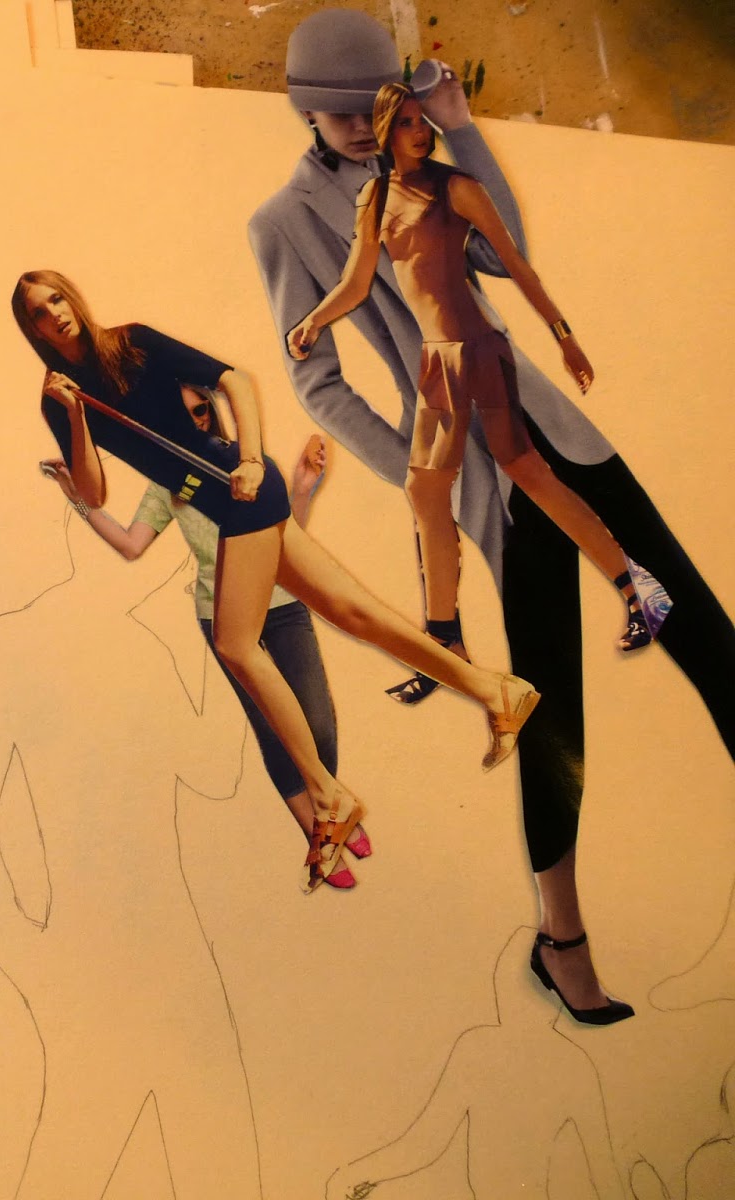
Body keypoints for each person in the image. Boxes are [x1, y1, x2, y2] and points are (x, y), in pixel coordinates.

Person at [248, 7, 735, 1022]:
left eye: (371, 107)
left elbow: (502, 253)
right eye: (338, 112)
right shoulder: (284, 222)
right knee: (552, 703)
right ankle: (561, 939)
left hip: (558, 432)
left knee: (706, 631)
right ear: (303, 109)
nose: (358, 126)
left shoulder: (425, 169)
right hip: (479, 465)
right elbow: (317, 382)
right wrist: (418, 469)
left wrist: (462, 128)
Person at [13, 268, 540, 890]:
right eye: (40, 312)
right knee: (355, 612)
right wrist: (74, 416)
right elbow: (94, 490)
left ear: (73, 297)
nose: (55, 314)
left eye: (57, 299)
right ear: (33, 329)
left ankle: (329, 797)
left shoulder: (133, 343)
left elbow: (233, 379)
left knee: (235, 644)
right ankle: (496, 692)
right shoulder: (58, 398)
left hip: (240, 487)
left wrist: (252, 459)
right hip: (214, 500)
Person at [286, 81, 653, 661]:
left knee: (524, 475)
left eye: (423, 121)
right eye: (407, 122)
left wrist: (565, 338)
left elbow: (518, 266)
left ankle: (636, 589)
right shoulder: (374, 198)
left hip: (480, 353)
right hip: (440, 361)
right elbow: (355, 282)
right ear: (385, 132)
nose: (421, 132)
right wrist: (312, 322)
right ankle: (446, 640)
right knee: (430, 491)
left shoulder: (457, 188)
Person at [46, 398, 371, 888]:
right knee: (271, 729)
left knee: (317, 724)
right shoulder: (165, 484)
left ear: (212, 412)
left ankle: (333, 811)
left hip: (282, 603)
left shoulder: (249, 463)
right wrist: (78, 498)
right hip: (222, 616)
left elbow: (286, 541)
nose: (194, 421)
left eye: (200, 410)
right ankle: (319, 833)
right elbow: (132, 545)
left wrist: (302, 487)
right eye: (182, 414)